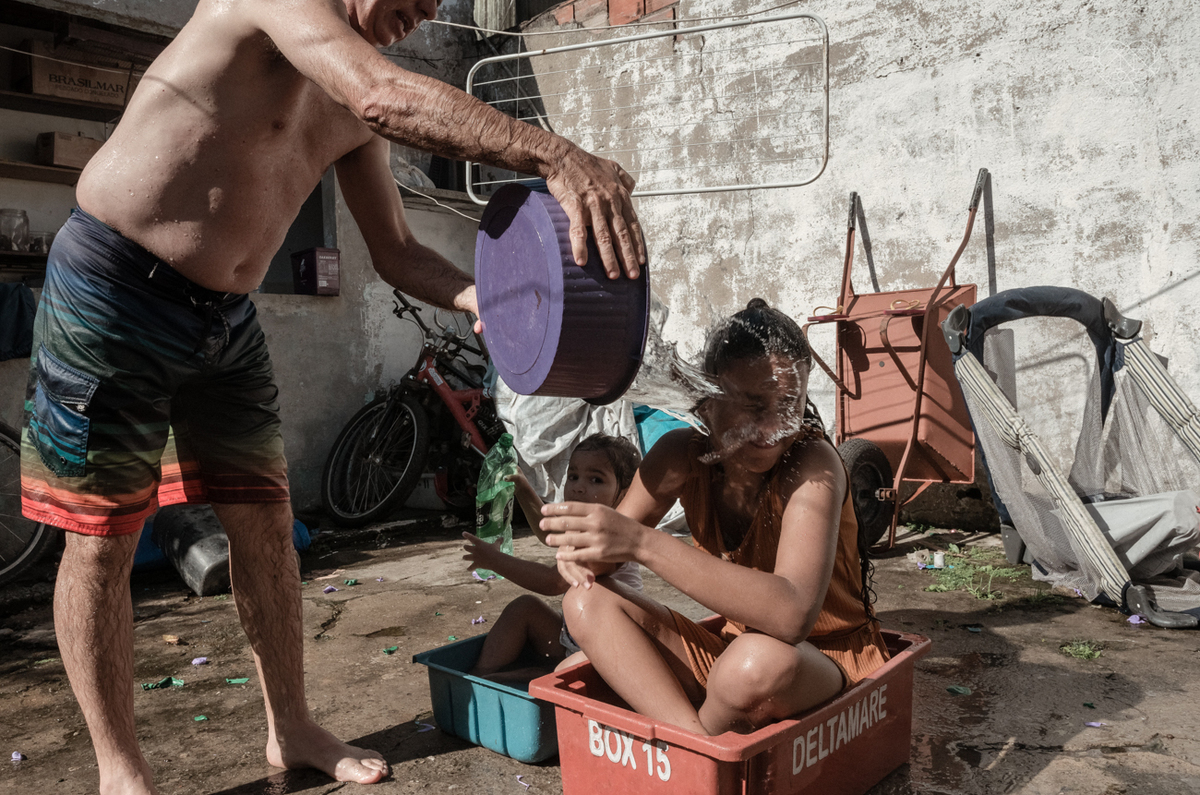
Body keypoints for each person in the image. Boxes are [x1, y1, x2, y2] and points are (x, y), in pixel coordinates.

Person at [19, 0, 645, 792]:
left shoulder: (351, 105)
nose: (423, 15)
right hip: (114, 285)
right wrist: (555, 153)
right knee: (101, 538)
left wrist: (484, 298)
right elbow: (386, 95)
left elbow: (398, 251)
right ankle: (121, 770)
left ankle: (291, 727)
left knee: (266, 526)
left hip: (224, 317)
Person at [539, 299, 891, 736]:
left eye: (789, 404)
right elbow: (600, 563)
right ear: (707, 402)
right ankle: (692, 742)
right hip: (733, 652)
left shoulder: (812, 464)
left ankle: (687, 756)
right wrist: (580, 551)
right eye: (753, 406)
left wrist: (641, 542)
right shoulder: (681, 455)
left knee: (754, 664)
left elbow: (792, 615)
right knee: (584, 602)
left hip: (824, 661)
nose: (773, 428)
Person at [462, 434, 642, 679]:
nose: (578, 486)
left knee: (563, 673)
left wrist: (494, 561)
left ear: (625, 495)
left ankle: (531, 675)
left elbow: (553, 582)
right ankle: (478, 676)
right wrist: (523, 487)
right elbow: (548, 531)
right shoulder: (582, 523)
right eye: (573, 476)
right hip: (574, 639)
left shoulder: (609, 537)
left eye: (596, 479)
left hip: (611, 650)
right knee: (523, 608)